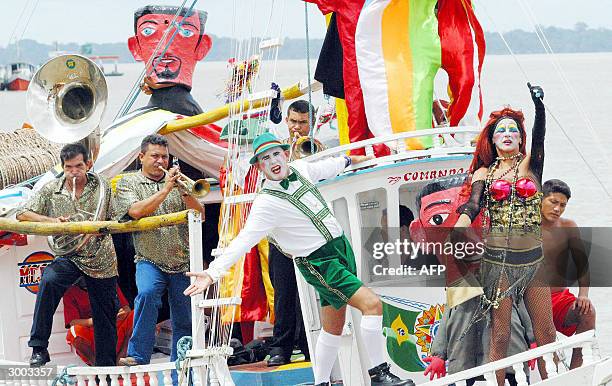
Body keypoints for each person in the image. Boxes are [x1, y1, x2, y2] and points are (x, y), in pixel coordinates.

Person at [184, 132, 413, 386]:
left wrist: (356, 159)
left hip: (340, 250)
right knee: (372, 305)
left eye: (276, 154)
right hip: (319, 263)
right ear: (260, 167)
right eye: (265, 158)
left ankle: (321, 382)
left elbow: (332, 165)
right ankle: (378, 374)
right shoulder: (265, 203)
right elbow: (243, 241)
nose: (273, 161)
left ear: (285, 154)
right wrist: (213, 272)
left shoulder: (301, 168)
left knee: (333, 327)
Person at [453, 84, 556, 385]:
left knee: (546, 331)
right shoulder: (484, 174)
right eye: (501, 130)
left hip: (533, 260)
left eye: (514, 130)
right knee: (500, 333)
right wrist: (460, 226)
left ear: (521, 137)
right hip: (499, 263)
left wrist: (539, 106)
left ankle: (555, 378)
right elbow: (473, 205)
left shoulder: (531, 166)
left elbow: (540, 138)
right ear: (493, 139)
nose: (508, 134)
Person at [16, 143, 118, 367]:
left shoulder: (103, 187)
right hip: (69, 254)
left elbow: (119, 215)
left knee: (106, 313)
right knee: (49, 281)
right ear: (63, 167)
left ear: (88, 164)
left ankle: (106, 367)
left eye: (78, 166)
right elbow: (22, 213)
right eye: (69, 167)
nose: (74, 171)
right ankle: (39, 348)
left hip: (100, 256)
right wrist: (51, 221)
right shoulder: (51, 188)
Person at [114, 134, 204, 366]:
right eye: (154, 156)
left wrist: (184, 192)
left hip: (182, 261)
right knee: (146, 294)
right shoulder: (128, 182)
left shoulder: (178, 182)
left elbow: (201, 215)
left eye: (164, 157)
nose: (160, 161)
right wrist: (165, 190)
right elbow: (135, 211)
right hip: (149, 258)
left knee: (184, 320)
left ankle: (182, 372)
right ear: (141, 157)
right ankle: (138, 355)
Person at [541, 179, 595, 369]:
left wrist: (583, 295)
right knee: (547, 341)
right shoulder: (526, 228)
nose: (557, 209)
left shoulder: (568, 226)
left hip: (558, 298)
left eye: (562, 205)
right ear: (540, 199)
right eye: (553, 202)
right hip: (532, 301)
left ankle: (576, 370)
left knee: (587, 313)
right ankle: (552, 376)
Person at [63, 278, 134, 366]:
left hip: (115, 328)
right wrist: (98, 320)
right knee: (74, 331)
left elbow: (126, 308)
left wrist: (122, 312)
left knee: (135, 316)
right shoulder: (70, 292)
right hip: (93, 334)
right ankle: (97, 366)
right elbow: (72, 322)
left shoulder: (110, 282)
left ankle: (120, 360)